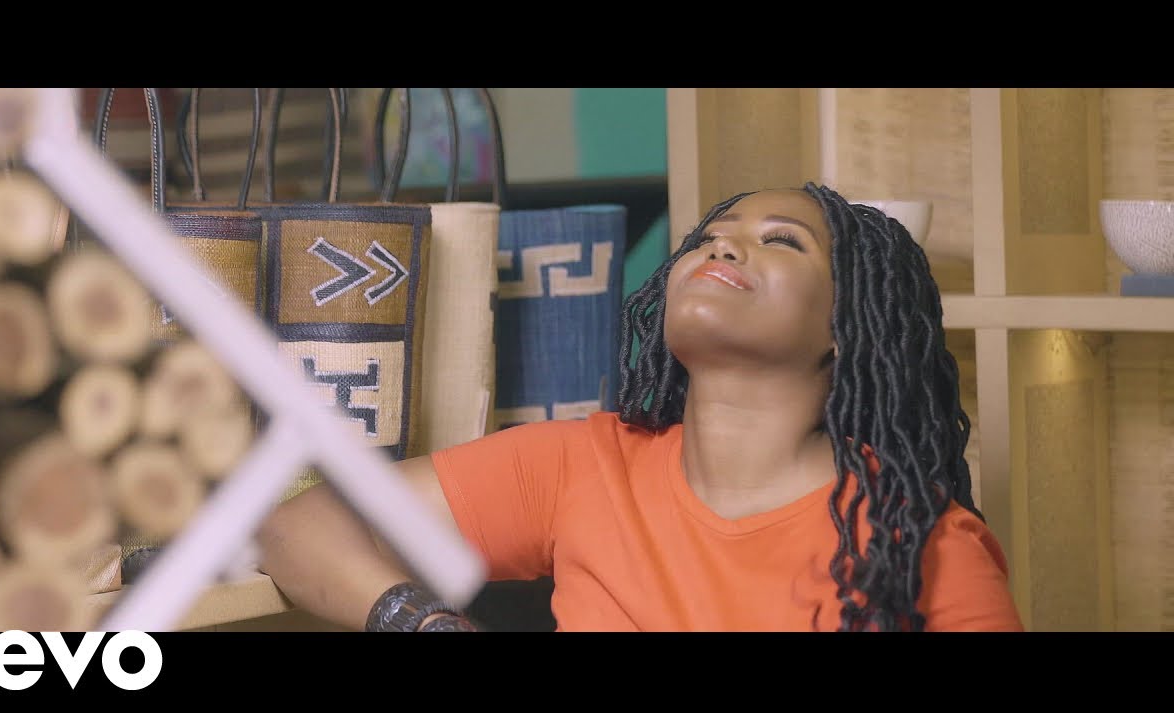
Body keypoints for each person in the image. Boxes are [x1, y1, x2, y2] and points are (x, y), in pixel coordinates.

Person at [256, 182, 1025, 632]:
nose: (722, 248)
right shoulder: (584, 464)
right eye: (709, 238)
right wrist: (419, 620)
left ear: (845, 326)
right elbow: (297, 523)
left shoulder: (920, 544)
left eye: (783, 241)